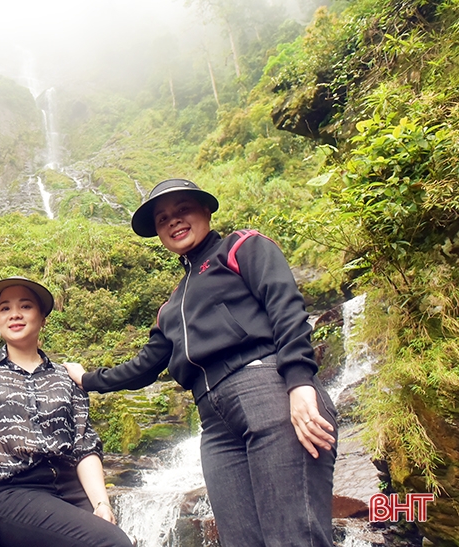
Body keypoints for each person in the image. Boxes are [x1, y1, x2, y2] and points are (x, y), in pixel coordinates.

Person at [62, 179, 338, 547]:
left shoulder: (242, 248)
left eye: (182, 210)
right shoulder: (171, 307)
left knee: (295, 536)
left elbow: (285, 307)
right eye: (163, 219)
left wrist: (300, 382)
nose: (173, 221)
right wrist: (87, 380)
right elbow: (144, 366)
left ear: (206, 211)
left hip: (267, 392)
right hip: (215, 428)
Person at [0, 277, 135, 547]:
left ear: (42, 319)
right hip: (11, 490)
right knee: (112, 543)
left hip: (69, 489)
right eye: (4, 309)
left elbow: (84, 446)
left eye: (25, 306)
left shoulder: (65, 377)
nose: (14, 314)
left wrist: (101, 503)